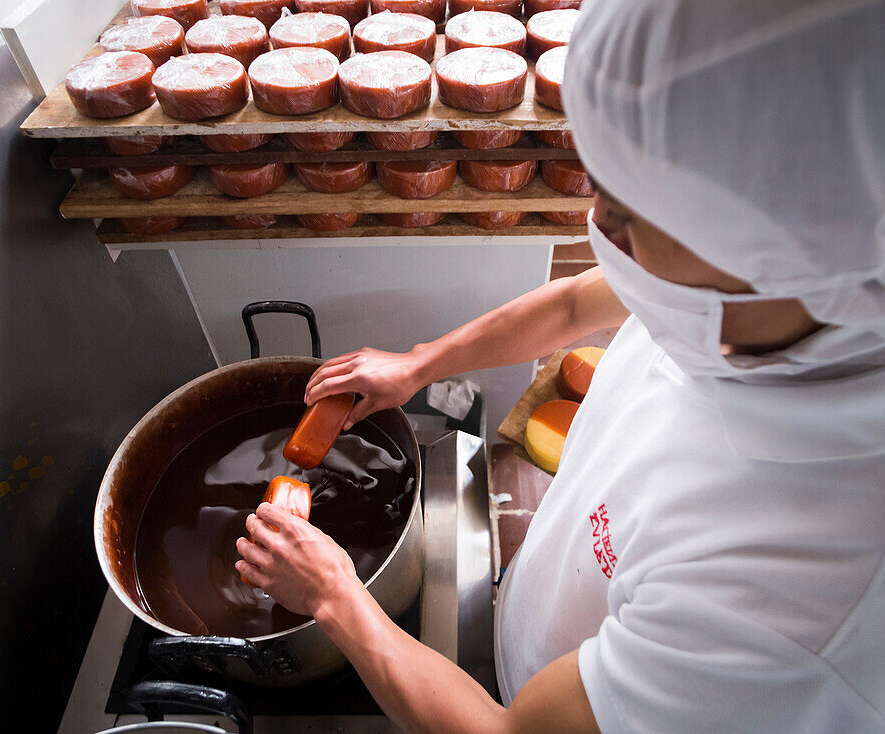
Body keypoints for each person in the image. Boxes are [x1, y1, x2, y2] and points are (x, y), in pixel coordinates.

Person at [236, 1, 885, 731]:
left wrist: (334, 599)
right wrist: (418, 365)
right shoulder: (750, 289)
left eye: (633, 212)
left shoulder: (795, 592)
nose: (599, 224)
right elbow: (580, 304)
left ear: (791, 255)